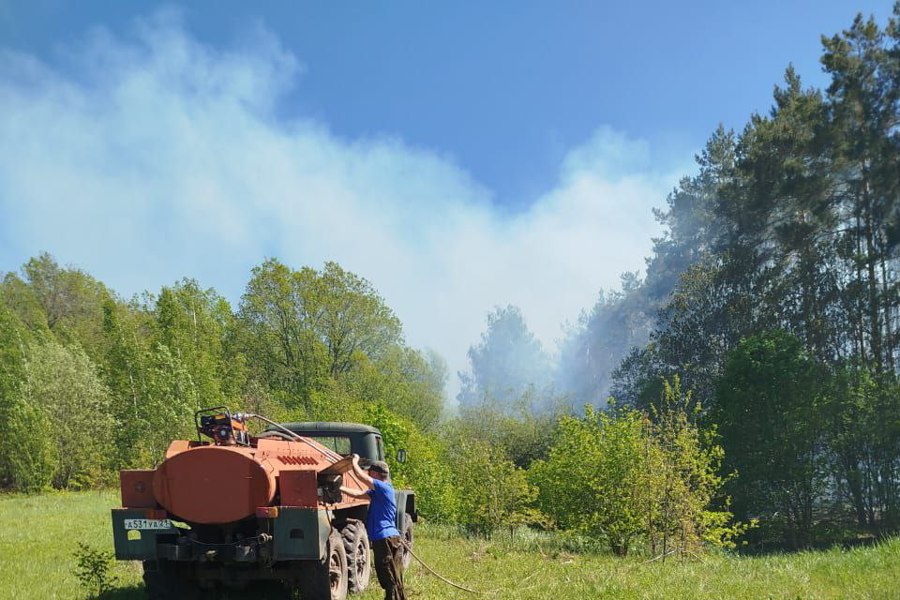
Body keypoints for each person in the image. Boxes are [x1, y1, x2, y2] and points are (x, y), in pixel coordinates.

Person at [340, 454, 407, 600]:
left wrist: (355, 461)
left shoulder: (383, 487)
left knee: (389, 576)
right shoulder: (380, 491)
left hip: (385, 539)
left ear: (376, 474)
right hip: (386, 538)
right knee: (390, 577)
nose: (368, 474)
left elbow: (360, 477)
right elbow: (359, 494)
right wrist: (340, 488)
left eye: (370, 472)